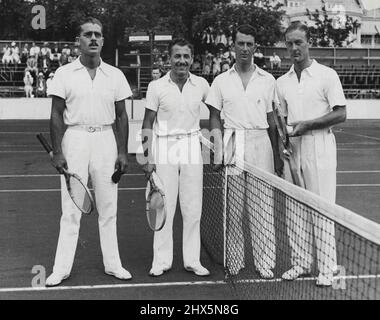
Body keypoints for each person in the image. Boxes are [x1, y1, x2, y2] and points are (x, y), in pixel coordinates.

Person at [45, 17, 133, 286]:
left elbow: (121, 117)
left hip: (106, 140)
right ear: (78, 41)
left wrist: (122, 151)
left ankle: (113, 264)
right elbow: (56, 114)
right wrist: (58, 152)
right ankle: (61, 269)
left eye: (98, 35)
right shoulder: (63, 73)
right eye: (88, 35)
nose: (93, 39)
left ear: (103, 41)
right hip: (76, 139)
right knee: (71, 209)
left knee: (109, 207)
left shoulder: (115, 75)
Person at [206, 24, 282, 279]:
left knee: (262, 206)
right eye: (241, 43)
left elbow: (273, 122)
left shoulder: (268, 80)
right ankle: (235, 260)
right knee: (234, 208)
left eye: (250, 44)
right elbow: (214, 118)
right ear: (233, 46)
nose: (245, 48)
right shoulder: (220, 81)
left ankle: (264, 262)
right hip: (232, 142)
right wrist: (218, 148)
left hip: (261, 142)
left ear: (255, 47)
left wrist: (278, 156)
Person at [276, 22, 346, 287]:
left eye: (299, 42)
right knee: (294, 207)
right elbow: (281, 119)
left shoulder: (327, 75)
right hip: (293, 149)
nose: (294, 48)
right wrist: (284, 141)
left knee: (322, 207)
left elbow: (341, 113)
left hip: (320, 146)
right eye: (290, 43)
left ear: (309, 43)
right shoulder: (282, 82)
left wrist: (308, 125)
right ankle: (302, 263)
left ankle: (328, 268)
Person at [141, 38, 211, 277]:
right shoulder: (156, 87)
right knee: (163, 205)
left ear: (192, 59)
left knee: (193, 207)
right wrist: (148, 158)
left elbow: (216, 112)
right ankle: (161, 261)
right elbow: (147, 122)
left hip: (192, 146)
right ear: (169, 59)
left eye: (186, 57)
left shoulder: (202, 84)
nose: (182, 61)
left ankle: (192, 260)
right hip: (164, 147)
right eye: (177, 56)